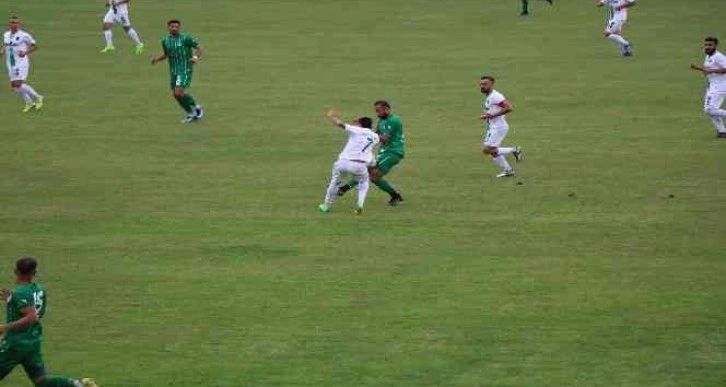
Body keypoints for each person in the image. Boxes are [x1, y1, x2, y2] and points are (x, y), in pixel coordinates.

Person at [0, 257, 98, 387]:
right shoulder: (39, 290)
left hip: (15, 345)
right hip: (33, 343)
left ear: (15, 271)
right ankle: (79, 384)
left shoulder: (20, 293)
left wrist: (4, 328)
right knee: (42, 382)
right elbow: (32, 308)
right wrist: (11, 298)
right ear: (34, 273)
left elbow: (31, 317)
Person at [337, 101, 404, 206]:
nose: (377, 114)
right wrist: (360, 127)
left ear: (387, 109)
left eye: (379, 111)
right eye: (376, 111)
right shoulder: (381, 122)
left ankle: (344, 188)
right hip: (384, 152)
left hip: (393, 152)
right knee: (373, 176)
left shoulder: (394, 120)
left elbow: (384, 139)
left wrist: (361, 130)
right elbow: (374, 136)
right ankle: (395, 195)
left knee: (372, 174)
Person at [318, 109, 380, 215]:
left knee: (334, 182)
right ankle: (360, 206)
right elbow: (368, 152)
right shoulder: (376, 137)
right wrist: (373, 164)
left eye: (356, 122)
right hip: (360, 165)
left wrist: (332, 116)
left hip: (343, 162)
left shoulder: (356, 130)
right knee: (364, 183)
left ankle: (326, 205)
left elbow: (340, 124)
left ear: (360, 124)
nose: (354, 123)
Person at [151, 20, 204, 124]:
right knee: (176, 95)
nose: (174, 28)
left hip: (184, 69)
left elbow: (199, 48)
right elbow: (166, 54)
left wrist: (195, 57)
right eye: (172, 26)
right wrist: (157, 59)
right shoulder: (165, 41)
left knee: (178, 92)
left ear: (179, 28)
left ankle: (197, 108)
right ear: (168, 28)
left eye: (176, 27)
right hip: (173, 71)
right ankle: (191, 113)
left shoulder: (185, 38)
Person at [479, 76, 523, 178]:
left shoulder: (496, 96)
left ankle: (514, 150)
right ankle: (508, 170)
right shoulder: (489, 97)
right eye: (481, 84)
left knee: (487, 150)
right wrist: (487, 116)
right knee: (492, 151)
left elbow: (509, 108)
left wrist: (492, 116)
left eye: (485, 84)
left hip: (498, 128)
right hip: (494, 127)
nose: (482, 86)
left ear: (492, 84)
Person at [2, 16, 43, 113]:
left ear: (19, 24)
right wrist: (2, 50)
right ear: (9, 24)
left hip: (21, 62)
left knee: (18, 84)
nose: (14, 24)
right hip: (10, 62)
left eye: (16, 23)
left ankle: (38, 97)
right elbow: (5, 44)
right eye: (12, 22)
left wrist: (25, 53)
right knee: (14, 87)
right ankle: (29, 103)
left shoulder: (24, 35)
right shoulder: (6, 34)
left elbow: (35, 47)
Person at [691, 37, 726, 138]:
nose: (707, 47)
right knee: (709, 110)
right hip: (712, 86)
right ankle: (722, 131)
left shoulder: (719, 56)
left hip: (721, 87)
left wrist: (711, 71)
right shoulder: (708, 56)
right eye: (706, 45)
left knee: (710, 109)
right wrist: (705, 71)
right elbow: (709, 70)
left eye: (710, 45)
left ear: (715, 46)